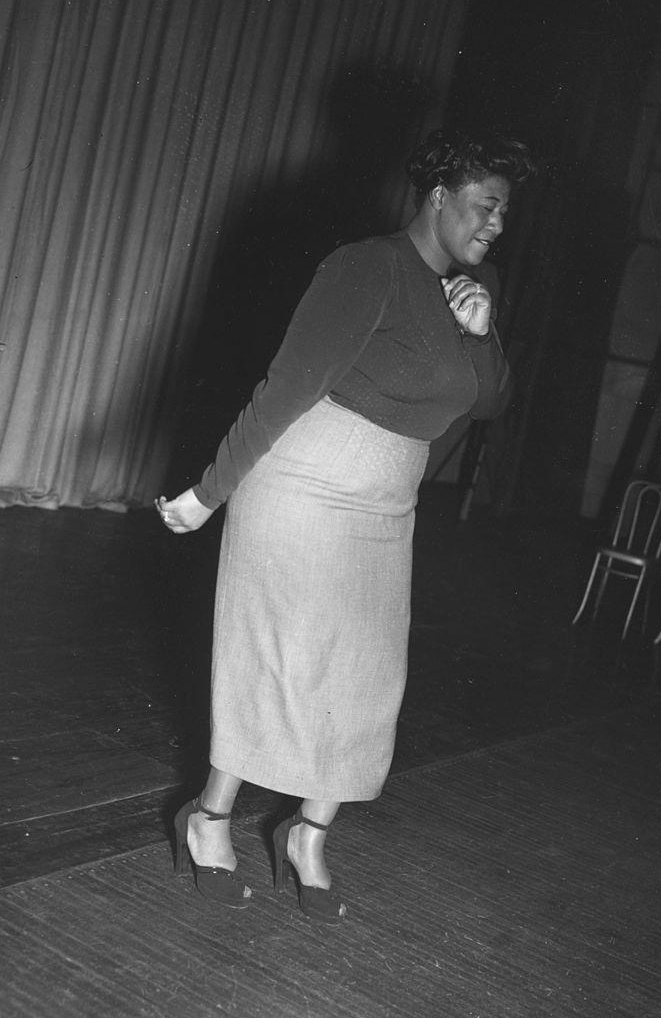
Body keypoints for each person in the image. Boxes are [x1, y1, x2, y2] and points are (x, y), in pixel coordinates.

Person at [157, 126, 534, 923]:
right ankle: (211, 816)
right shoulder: (367, 268)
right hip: (299, 487)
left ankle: (307, 832)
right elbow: (285, 387)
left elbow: (492, 402)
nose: (495, 226)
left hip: (384, 506)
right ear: (438, 198)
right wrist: (208, 493)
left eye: (503, 212)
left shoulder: (477, 285)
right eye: (485, 207)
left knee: (364, 679)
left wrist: (483, 330)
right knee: (277, 659)